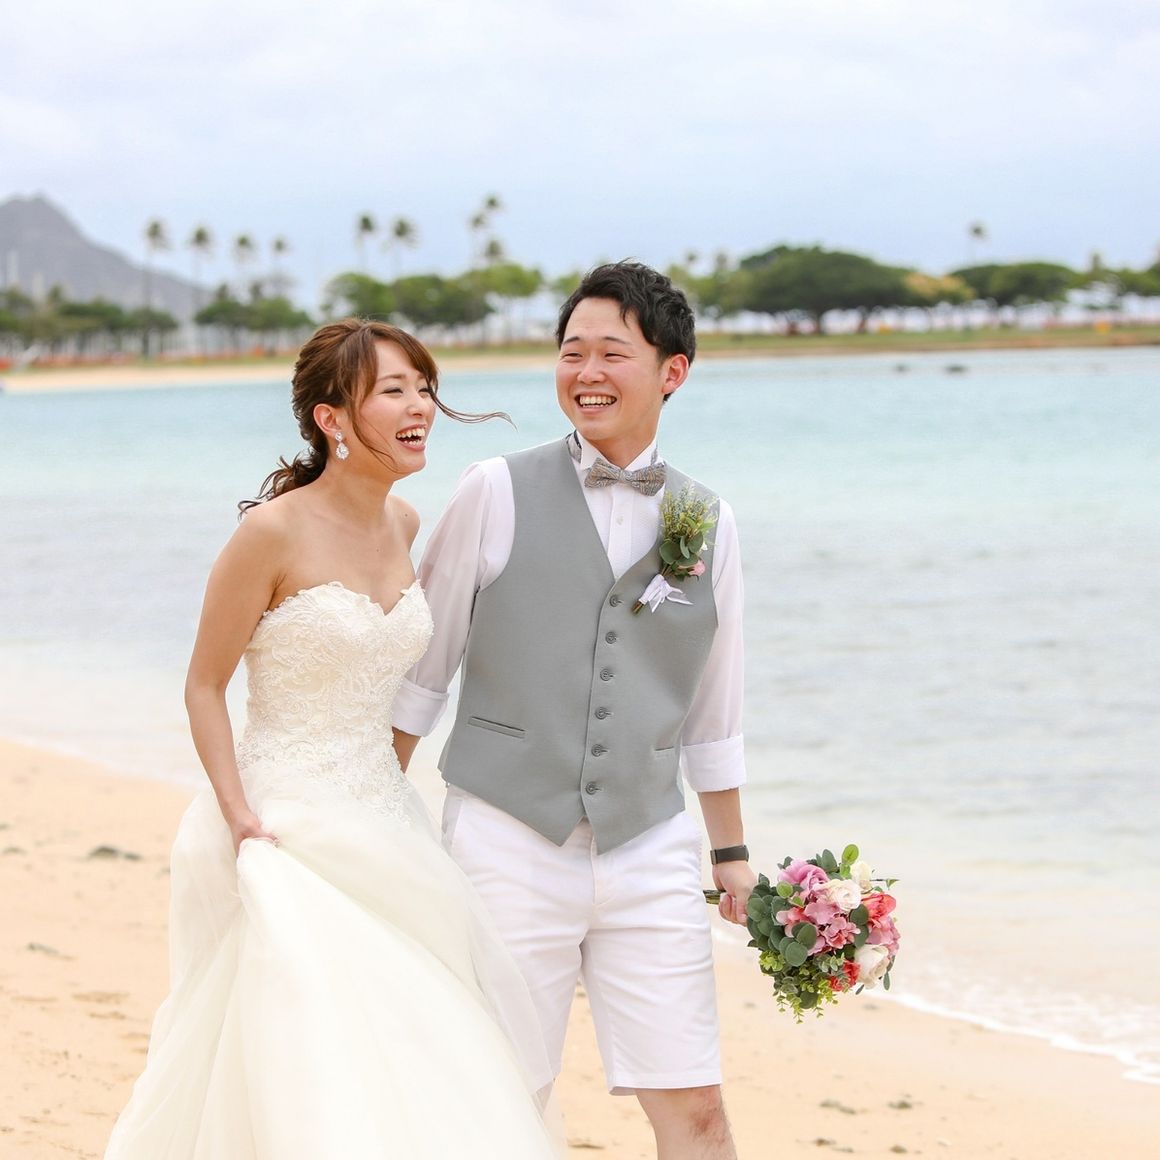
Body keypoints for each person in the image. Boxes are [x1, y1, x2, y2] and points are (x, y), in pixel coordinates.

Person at [105, 320, 558, 1159]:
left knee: (425, 1047)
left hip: (385, 819)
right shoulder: (269, 534)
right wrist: (238, 816)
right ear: (332, 419)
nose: (420, 406)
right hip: (284, 826)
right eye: (393, 390)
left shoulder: (405, 523)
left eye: (424, 387)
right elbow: (203, 685)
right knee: (308, 1044)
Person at [392, 261, 758, 1160]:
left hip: (650, 845)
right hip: (506, 838)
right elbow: (419, 676)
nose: (586, 372)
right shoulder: (492, 489)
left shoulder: (709, 521)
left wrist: (731, 857)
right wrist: (367, 815)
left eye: (612, 353)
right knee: (501, 1098)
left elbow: (713, 710)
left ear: (672, 371)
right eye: (571, 352)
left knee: (697, 1110)